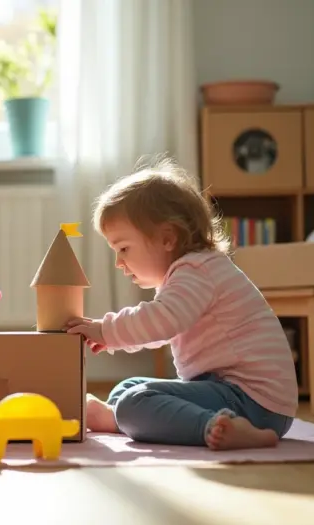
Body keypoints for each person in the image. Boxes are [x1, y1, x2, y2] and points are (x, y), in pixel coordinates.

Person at [65, 157, 298, 451]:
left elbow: (162, 321)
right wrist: (112, 337)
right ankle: (118, 415)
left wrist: (106, 330)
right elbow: (159, 326)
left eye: (123, 248)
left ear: (167, 238)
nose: (119, 262)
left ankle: (215, 427)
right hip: (242, 395)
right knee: (127, 388)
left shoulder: (196, 271)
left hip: (253, 403)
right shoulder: (194, 271)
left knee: (135, 400)